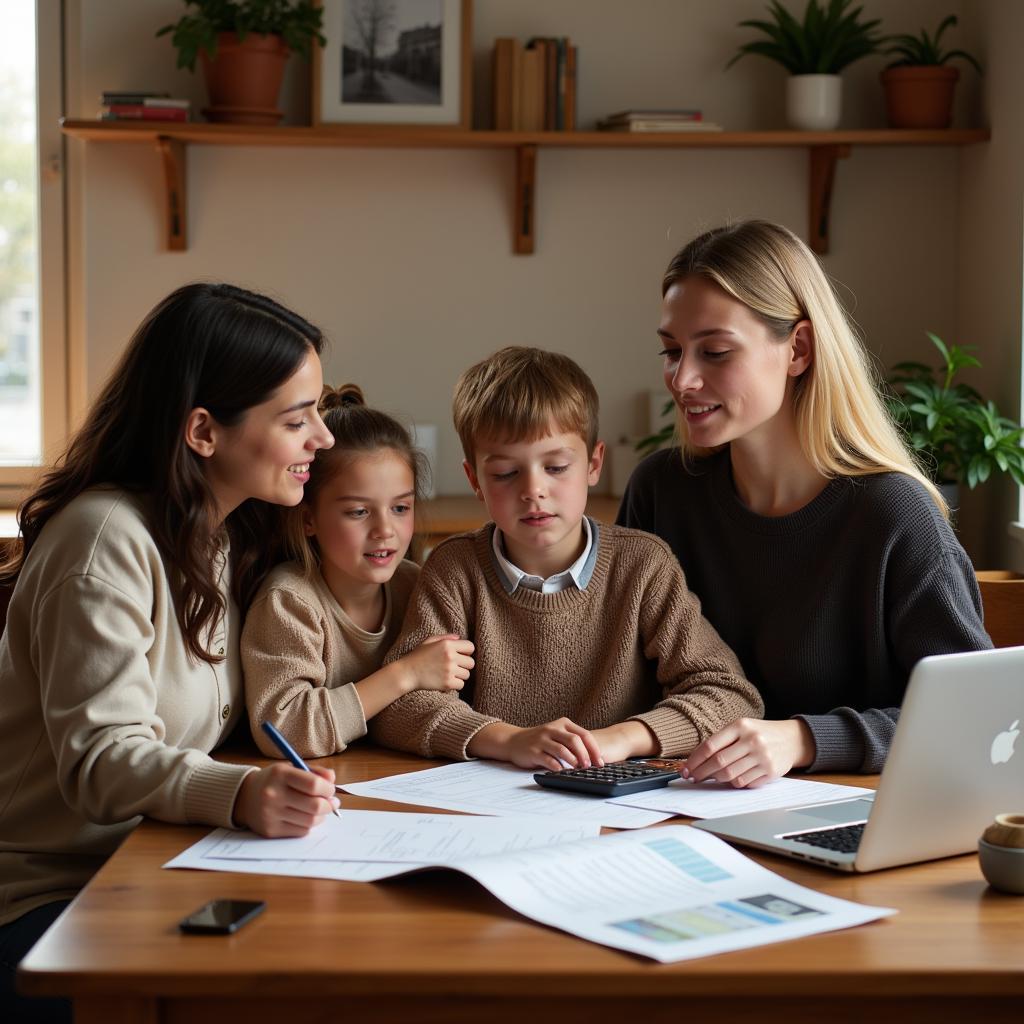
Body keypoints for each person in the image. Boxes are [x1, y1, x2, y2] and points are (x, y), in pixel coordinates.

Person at [0, 283, 341, 1024]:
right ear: (203, 432)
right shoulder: (107, 541)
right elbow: (103, 757)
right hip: (45, 899)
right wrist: (243, 793)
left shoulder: (213, 534)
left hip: (149, 865)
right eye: (297, 418)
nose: (324, 437)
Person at [617, 220, 992, 787]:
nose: (682, 379)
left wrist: (804, 737)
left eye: (714, 352)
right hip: (668, 812)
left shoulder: (894, 516)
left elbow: (976, 720)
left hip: (847, 821)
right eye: (672, 351)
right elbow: (617, 676)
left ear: (798, 348)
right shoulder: (660, 491)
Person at [370, 346, 763, 770]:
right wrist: (509, 741)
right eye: (505, 473)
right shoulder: (454, 570)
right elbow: (398, 708)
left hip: (615, 803)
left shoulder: (643, 566)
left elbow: (731, 696)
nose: (533, 490)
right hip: (495, 809)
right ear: (475, 480)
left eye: (556, 467)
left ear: (593, 464)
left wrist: (620, 740)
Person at [242, 384, 475, 759]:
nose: (385, 530)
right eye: (358, 512)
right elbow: (282, 731)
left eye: (400, 508)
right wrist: (406, 674)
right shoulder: (288, 602)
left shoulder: (417, 586)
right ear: (308, 520)